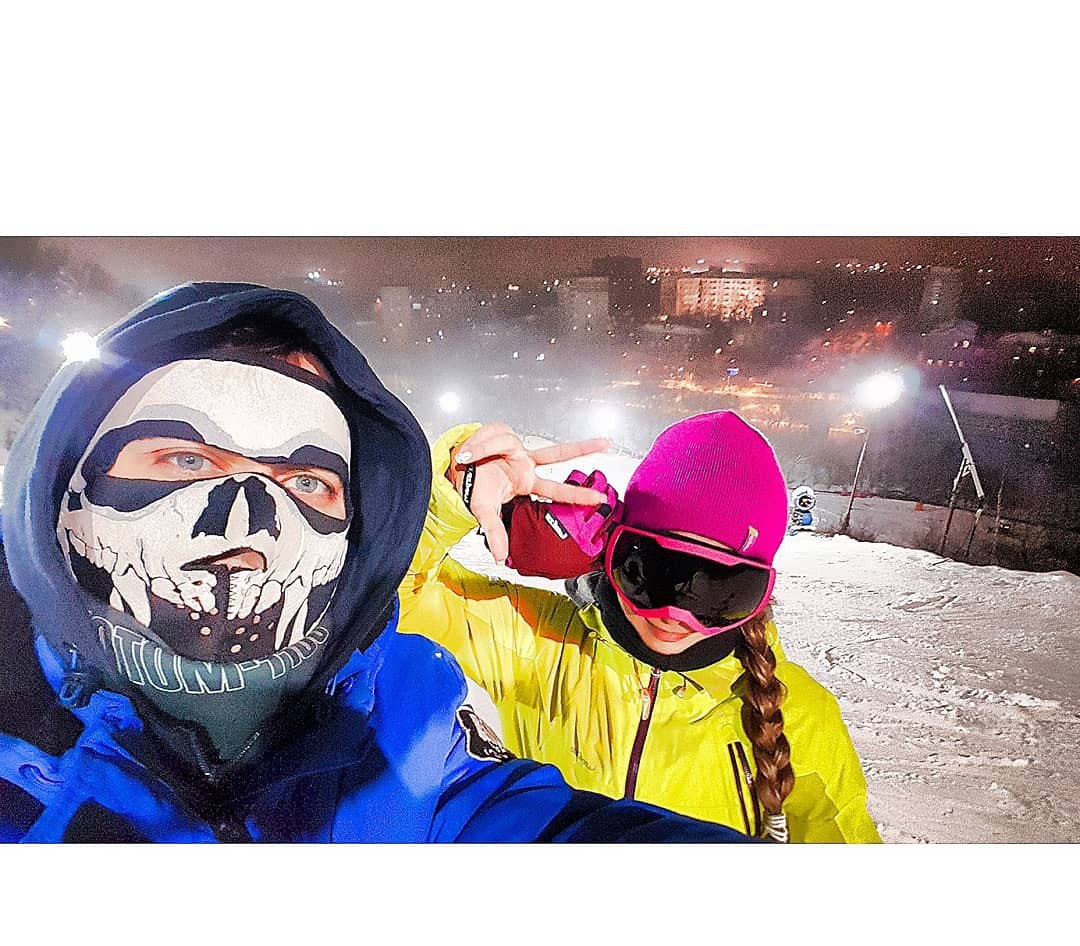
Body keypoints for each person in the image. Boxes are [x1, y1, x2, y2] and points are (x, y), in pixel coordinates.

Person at [0, 282, 750, 843]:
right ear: (64, 480)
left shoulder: (403, 732)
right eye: (187, 458)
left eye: (305, 482)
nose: (244, 529)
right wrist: (454, 490)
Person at [398, 414, 882, 842]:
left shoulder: (803, 717)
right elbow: (388, 601)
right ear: (612, 549)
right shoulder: (536, 641)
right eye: (653, 573)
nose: (675, 614)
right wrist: (452, 496)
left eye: (719, 591)